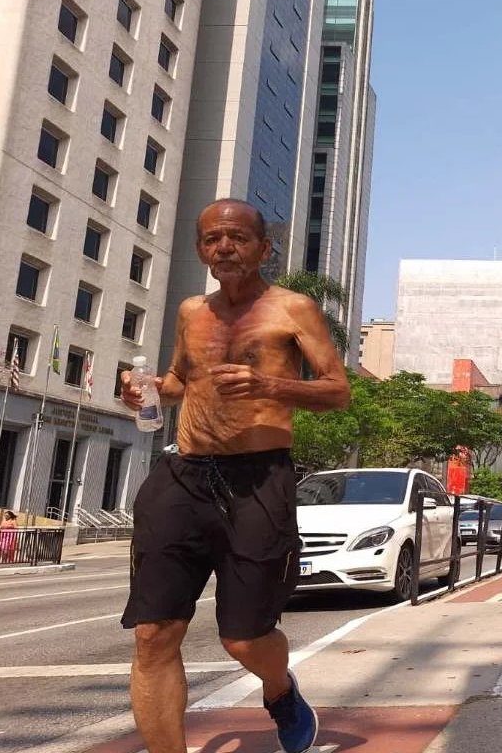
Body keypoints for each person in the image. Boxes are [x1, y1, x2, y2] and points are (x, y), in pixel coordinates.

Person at [118, 198, 350, 753]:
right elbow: (180, 379)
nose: (223, 248)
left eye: (237, 238)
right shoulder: (191, 310)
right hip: (186, 474)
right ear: (201, 249)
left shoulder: (293, 309)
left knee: (244, 638)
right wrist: (146, 390)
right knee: (154, 633)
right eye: (212, 239)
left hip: (259, 480)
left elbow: (337, 390)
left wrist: (270, 385)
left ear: (263, 248)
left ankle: (279, 690)